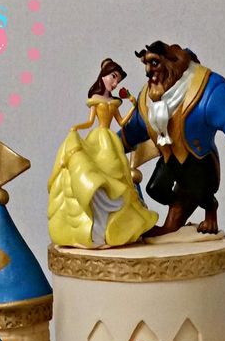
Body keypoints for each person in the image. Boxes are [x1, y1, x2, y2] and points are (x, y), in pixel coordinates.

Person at [119, 40, 225, 236]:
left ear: (171, 61)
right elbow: (134, 130)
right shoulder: (148, 98)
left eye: (154, 63)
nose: (148, 72)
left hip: (199, 162)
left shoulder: (207, 87)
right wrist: (106, 146)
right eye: (146, 64)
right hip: (170, 159)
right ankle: (180, 209)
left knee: (197, 193)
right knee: (155, 189)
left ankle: (205, 211)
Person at [48, 58, 158, 247]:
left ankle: (117, 217)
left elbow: (121, 123)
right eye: (113, 77)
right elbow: (90, 122)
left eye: (118, 81)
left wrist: (133, 106)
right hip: (98, 138)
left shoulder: (114, 102)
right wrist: (76, 128)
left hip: (111, 141)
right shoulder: (96, 99)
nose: (115, 83)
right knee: (95, 171)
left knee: (116, 172)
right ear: (103, 75)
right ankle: (96, 220)